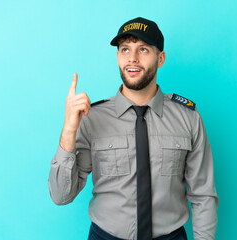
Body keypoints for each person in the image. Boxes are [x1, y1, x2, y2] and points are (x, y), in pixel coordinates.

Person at [48, 17, 219, 240]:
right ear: (118, 56)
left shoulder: (188, 118)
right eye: (125, 49)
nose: (133, 59)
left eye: (144, 50)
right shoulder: (92, 118)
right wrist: (69, 129)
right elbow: (61, 196)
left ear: (161, 58)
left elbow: (203, 195)